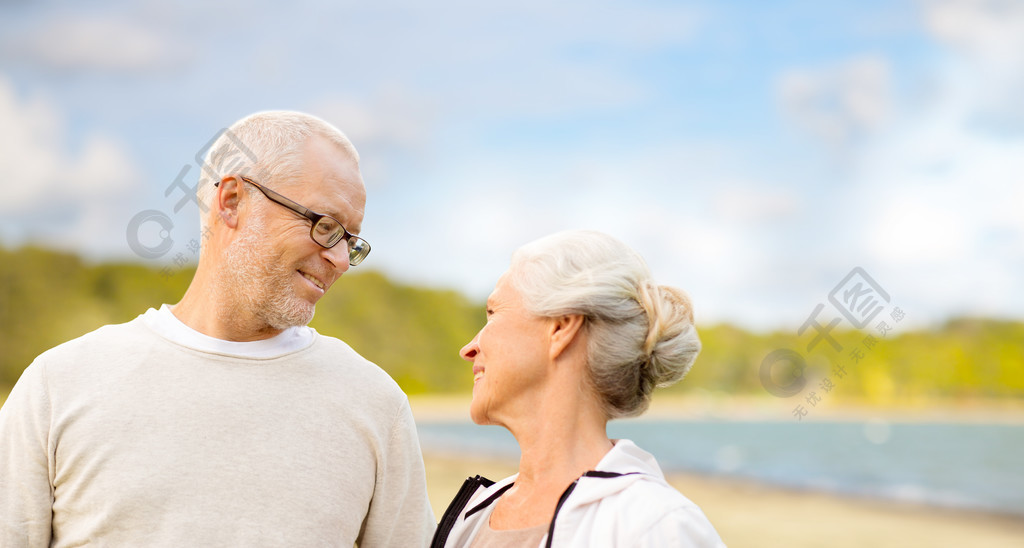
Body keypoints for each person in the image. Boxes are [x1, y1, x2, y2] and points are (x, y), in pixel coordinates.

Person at [0, 111, 435, 547]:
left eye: (351, 241)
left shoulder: (377, 405)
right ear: (231, 201)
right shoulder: (58, 386)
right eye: (325, 227)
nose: (340, 260)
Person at [431, 230, 724, 547]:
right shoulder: (472, 519)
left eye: (492, 313)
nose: (469, 348)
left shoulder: (657, 527)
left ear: (561, 327)